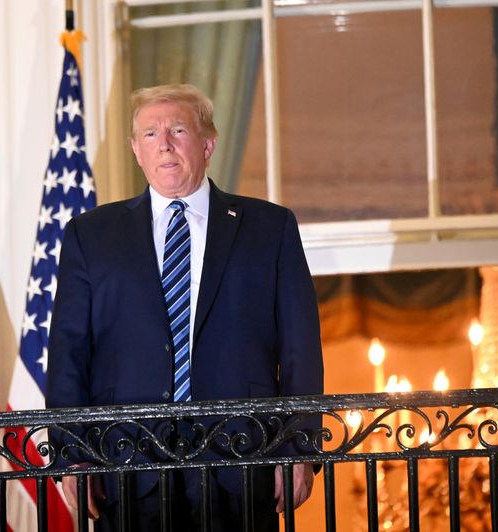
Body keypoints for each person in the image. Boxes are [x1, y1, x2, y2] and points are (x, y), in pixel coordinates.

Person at [46, 83, 324, 531]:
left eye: (177, 129)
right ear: (137, 150)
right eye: (150, 134)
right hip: (125, 465)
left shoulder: (269, 228)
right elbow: (68, 355)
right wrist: (72, 456)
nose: (165, 144)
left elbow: (300, 350)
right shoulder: (90, 235)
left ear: (208, 143)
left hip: (242, 460)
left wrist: (298, 449)